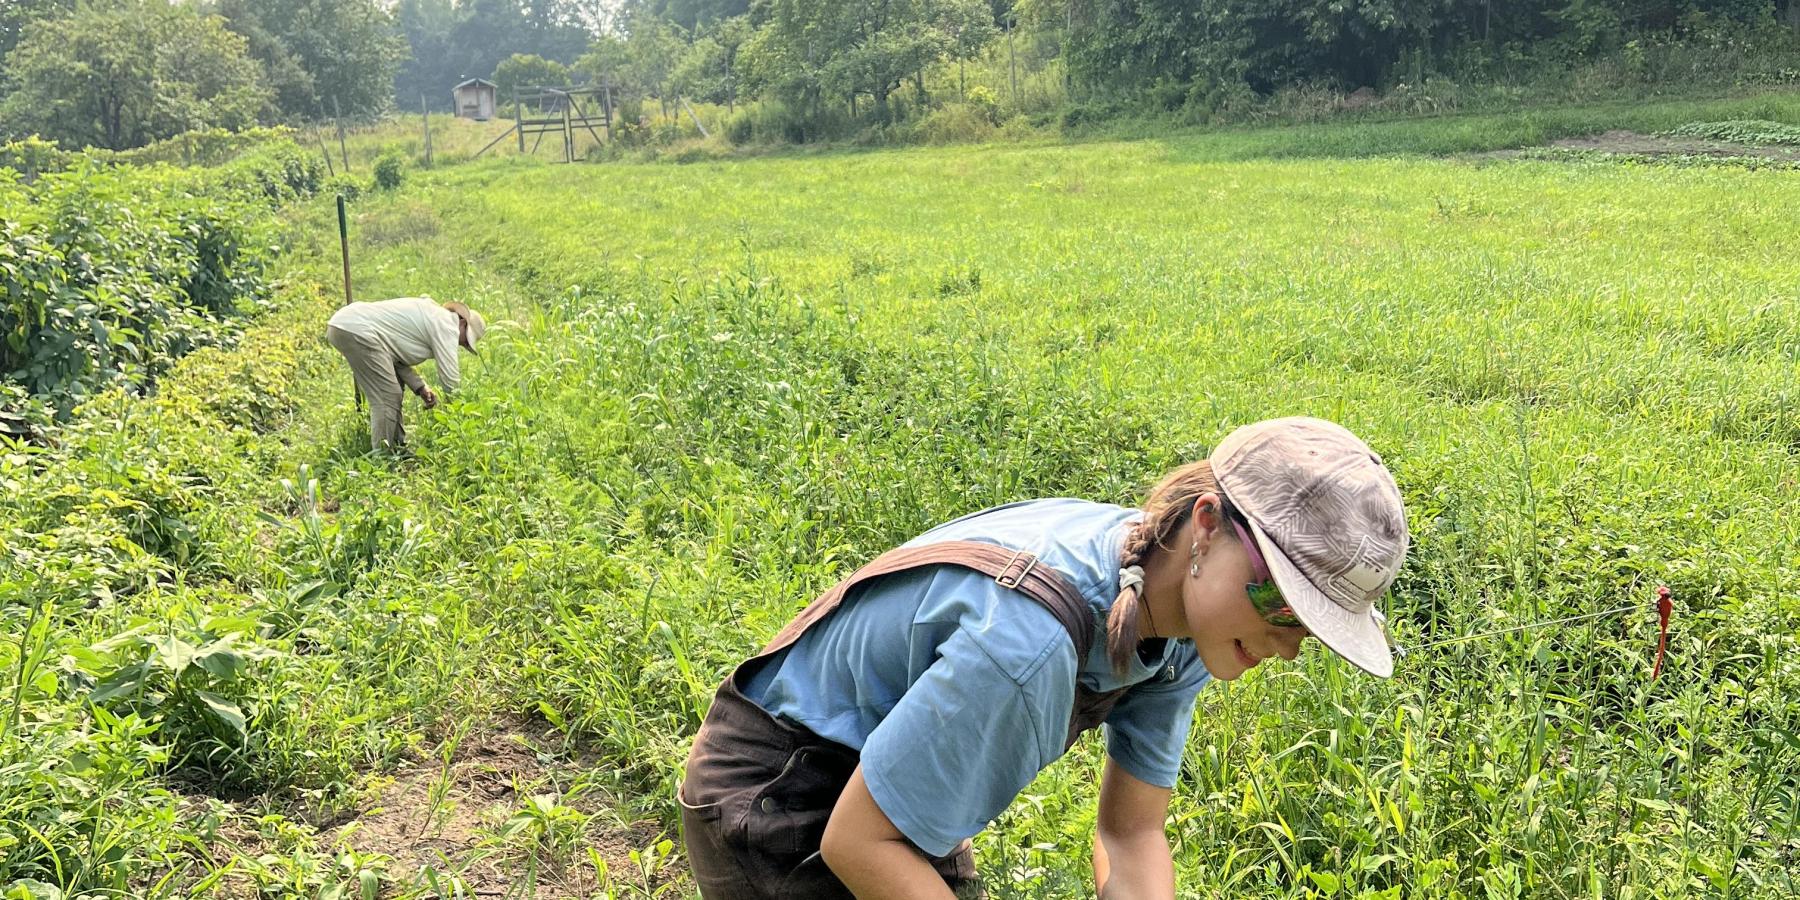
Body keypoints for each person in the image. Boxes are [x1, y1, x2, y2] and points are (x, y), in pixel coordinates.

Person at [679, 417, 1410, 899]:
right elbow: (859, 840)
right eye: (1281, 604)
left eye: (1310, 631)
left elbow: (1132, 832)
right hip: (779, 788)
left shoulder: (1176, 615)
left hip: (877, 785)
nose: (1286, 646)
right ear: (1208, 527)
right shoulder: (1028, 649)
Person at [325, 297, 484, 453]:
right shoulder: (446, 324)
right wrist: (459, 414)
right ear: (462, 323)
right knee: (386, 396)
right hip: (356, 328)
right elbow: (451, 380)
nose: (463, 344)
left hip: (346, 324)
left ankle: (398, 449)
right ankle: (381, 460)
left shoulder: (433, 316)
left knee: (393, 390)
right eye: (466, 340)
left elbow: (394, 357)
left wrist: (420, 387)